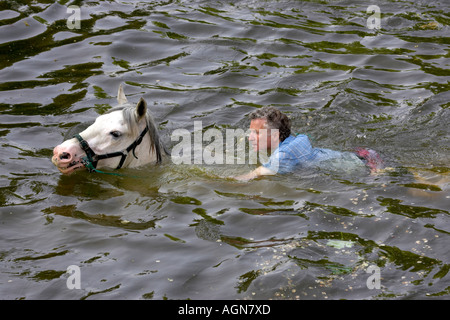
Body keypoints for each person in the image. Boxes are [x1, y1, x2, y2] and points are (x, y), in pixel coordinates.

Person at [234, 106, 384, 181]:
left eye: (257, 133)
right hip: (362, 156)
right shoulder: (295, 139)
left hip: (368, 170)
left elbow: (251, 176)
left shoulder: (282, 155)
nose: (250, 138)